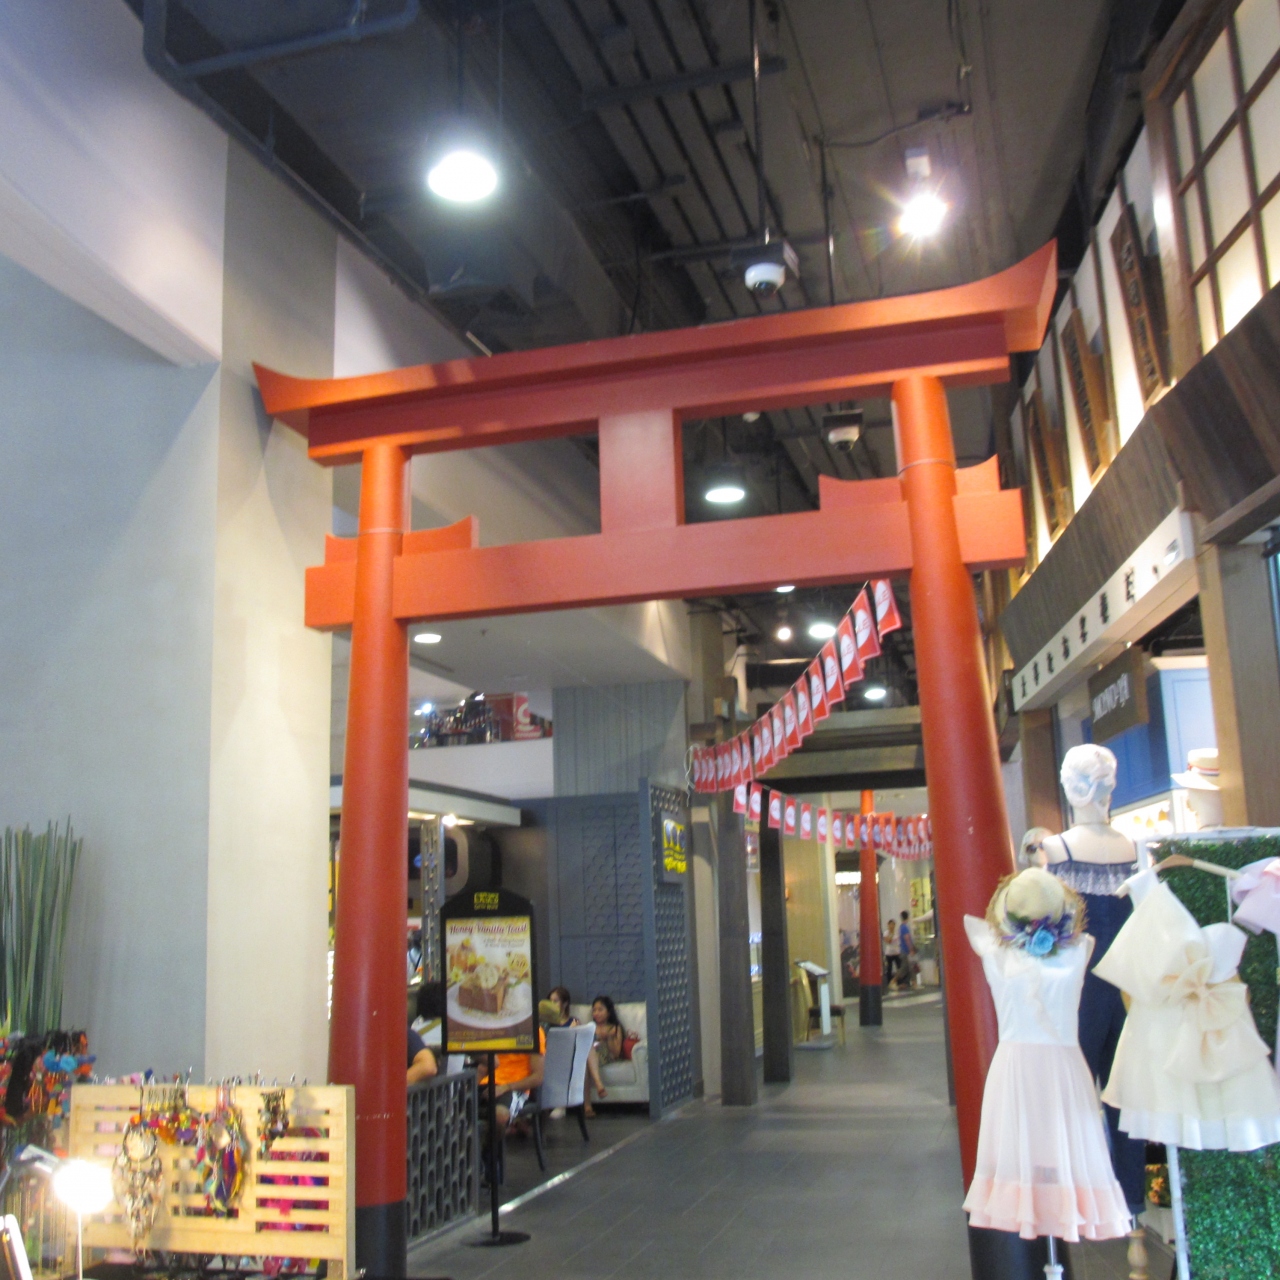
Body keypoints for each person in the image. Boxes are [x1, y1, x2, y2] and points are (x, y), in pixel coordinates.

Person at [544, 985, 606, 1114]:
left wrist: (576, 1030)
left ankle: (590, 1102)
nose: (552, 1004)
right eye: (550, 1001)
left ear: (565, 1003)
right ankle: (597, 1086)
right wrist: (570, 1031)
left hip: (573, 1055)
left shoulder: (574, 1020)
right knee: (583, 1056)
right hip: (556, 1057)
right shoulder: (547, 1023)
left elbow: (584, 1040)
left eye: (555, 1001)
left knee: (586, 1051)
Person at [897, 910, 917, 988]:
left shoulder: (901, 927)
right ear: (907, 917)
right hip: (906, 951)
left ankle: (913, 983)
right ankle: (893, 981)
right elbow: (907, 939)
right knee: (906, 968)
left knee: (909, 967)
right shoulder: (905, 927)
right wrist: (911, 949)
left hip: (903, 950)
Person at [882, 919, 900, 986]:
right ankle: (889, 982)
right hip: (889, 953)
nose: (892, 926)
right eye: (891, 924)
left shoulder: (897, 932)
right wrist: (891, 934)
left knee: (899, 967)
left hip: (896, 952)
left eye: (893, 924)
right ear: (888, 925)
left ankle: (899, 981)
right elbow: (888, 941)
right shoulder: (886, 933)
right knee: (889, 968)